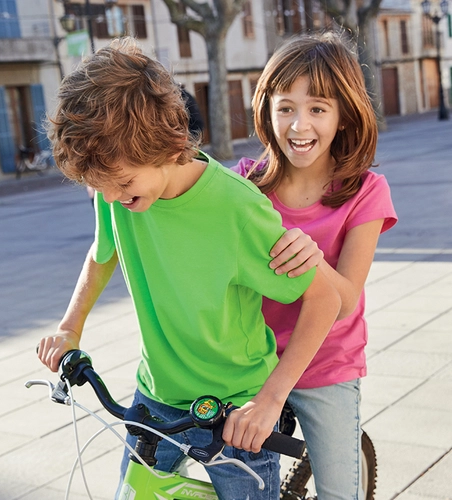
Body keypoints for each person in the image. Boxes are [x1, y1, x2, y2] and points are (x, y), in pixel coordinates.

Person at [37, 36, 341, 500]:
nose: (114, 198)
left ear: (162, 143)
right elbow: (103, 254)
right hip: (154, 397)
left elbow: (325, 298)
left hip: (232, 411)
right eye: (102, 187)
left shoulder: (236, 210)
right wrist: (69, 327)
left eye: (121, 183)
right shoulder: (115, 192)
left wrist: (270, 400)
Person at [231, 31, 397, 499]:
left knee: (340, 493)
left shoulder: (366, 191)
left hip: (327, 363)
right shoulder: (245, 184)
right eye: (286, 107)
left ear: (343, 116)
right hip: (251, 360)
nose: (299, 125)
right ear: (267, 110)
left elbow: (343, 302)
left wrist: (312, 259)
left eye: (317, 109)